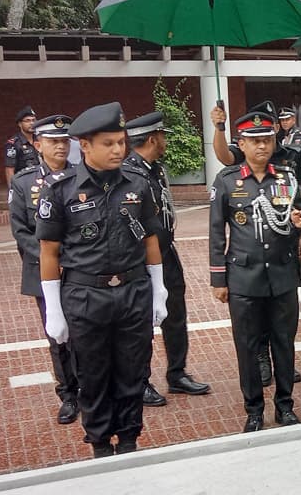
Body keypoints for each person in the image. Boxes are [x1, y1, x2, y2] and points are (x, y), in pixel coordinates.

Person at [36, 102, 167, 458]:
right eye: (108, 143)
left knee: (133, 371)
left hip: (132, 291)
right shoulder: (60, 190)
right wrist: (54, 310)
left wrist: (159, 290)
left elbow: (151, 240)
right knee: (92, 376)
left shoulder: (138, 184)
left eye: (121, 142)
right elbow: (48, 252)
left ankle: (128, 440)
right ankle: (99, 444)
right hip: (85, 295)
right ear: (85, 145)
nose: (118, 150)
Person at [209, 108, 301, 433]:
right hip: (243, 277)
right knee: (248, 346)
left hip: (281, 276)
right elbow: (215, 233)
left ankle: (285, 405)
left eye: (266, 139)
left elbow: (294, 224)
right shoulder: (227, 181)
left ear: (274, 141)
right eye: (254, 141)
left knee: (283, 342)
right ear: (242, 143)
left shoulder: (286, 178)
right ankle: (253, 408)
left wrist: (300, 227)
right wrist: (218, 279)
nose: (261, 147)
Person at [124, 112, 211, 407]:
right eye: (162, 136)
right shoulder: (129, 174)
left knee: (175, 313)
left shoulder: (155, 168)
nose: (165, 141)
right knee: (143, 321)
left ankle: (177, 373)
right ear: (151, 139)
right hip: (141, 259)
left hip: (166, 253)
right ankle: (140, 381)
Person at [9, 114, 79, 424]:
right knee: (57, 334)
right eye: (53, 141)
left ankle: (92, 388)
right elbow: (21, 230)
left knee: (87, 331)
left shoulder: (83, 176)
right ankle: (68, 393)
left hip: (81, 270)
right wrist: (52, 255)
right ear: (38, 144)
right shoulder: (24, 183)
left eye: (65, 141)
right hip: (44, 272)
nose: (61, 147)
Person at [6, 106, 39, 183]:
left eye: (33, 120)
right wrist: (12, 191)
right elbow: (9, 170)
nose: (32, 123)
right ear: (20, 124)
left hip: (41, 182)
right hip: (24, 184)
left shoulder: (40, 139)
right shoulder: (13, 144)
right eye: (27, 120)